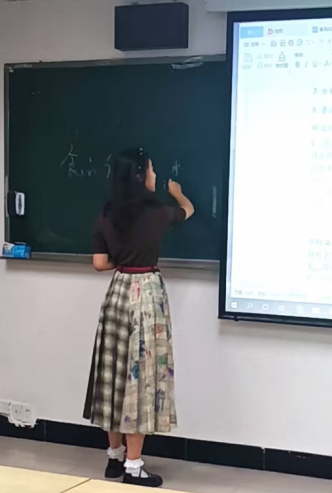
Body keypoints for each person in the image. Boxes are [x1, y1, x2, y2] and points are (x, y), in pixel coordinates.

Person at [83, 148, 194, 488]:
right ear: (140, 176)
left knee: (115, 375)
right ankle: (134, 467)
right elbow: (188, 211)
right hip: (146, 293)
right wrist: (177, 194)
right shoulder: (158, 213)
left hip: (118, 295)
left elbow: (99, 263)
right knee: (141, 378)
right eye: (151, 170)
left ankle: (114, 457)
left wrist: (124, 260)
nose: (154, 176)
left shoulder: (106, 215)